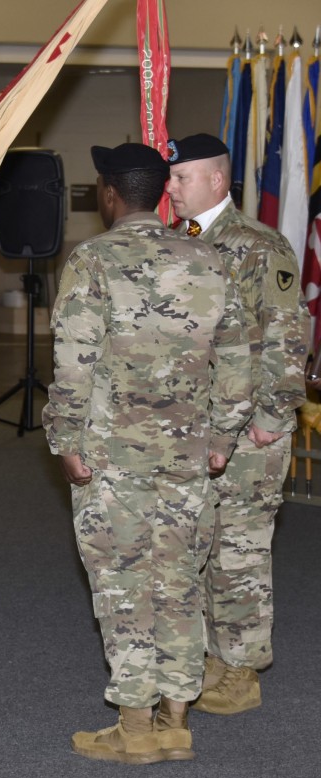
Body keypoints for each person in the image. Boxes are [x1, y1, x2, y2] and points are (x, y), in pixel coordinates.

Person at [42, 142, 252, 764]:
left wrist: (65, 440)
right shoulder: (208, 258)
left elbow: (73, 362)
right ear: (161, 191)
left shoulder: (94, 260)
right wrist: (222, 439)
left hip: (113, 460)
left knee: (123, 583)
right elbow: (238, 359)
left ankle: (135, 727)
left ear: (109, 193)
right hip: (187, 456)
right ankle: (176, 720)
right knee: (180, 580)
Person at [166, 133, 309, 715]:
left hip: (250, 429)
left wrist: (274, 415)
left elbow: (288, 334)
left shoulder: (257, 246)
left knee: (240, 551)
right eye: (171, 178)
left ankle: (243, 669)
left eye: (181, 178)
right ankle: (212, 656)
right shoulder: (177, 242)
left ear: (217, 181)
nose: (170, 188)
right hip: (195, 426)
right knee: (197, 543)